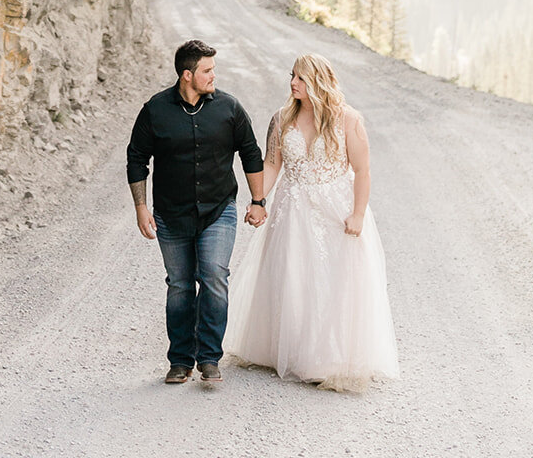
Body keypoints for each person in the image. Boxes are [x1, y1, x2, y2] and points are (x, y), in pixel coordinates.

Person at [223, 53, 399, 392]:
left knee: (332, 281)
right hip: (292, 206)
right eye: (292, 76)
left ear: (319, 81)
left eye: (301, 78)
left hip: (335, 209)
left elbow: (362, 170)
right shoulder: (282, 118)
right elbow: (271, 164)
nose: (293, 83)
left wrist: (358, 213)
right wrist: (259, 201)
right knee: (293, 276)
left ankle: (327, 357)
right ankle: (289, 349)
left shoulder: (348, 120)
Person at [127, 38, 267, 385]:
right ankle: (180, 361)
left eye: (213, 69)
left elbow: (250, 153)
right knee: (179, 285)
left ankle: (208, 358)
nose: (213, 75)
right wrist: (141, 207)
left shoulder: (229, 109)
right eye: (207, 70)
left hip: (219, 211)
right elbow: (136, 160)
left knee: (215, 278)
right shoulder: (155, 110)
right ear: (187, 75)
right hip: (171, 216)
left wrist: (258, 200)